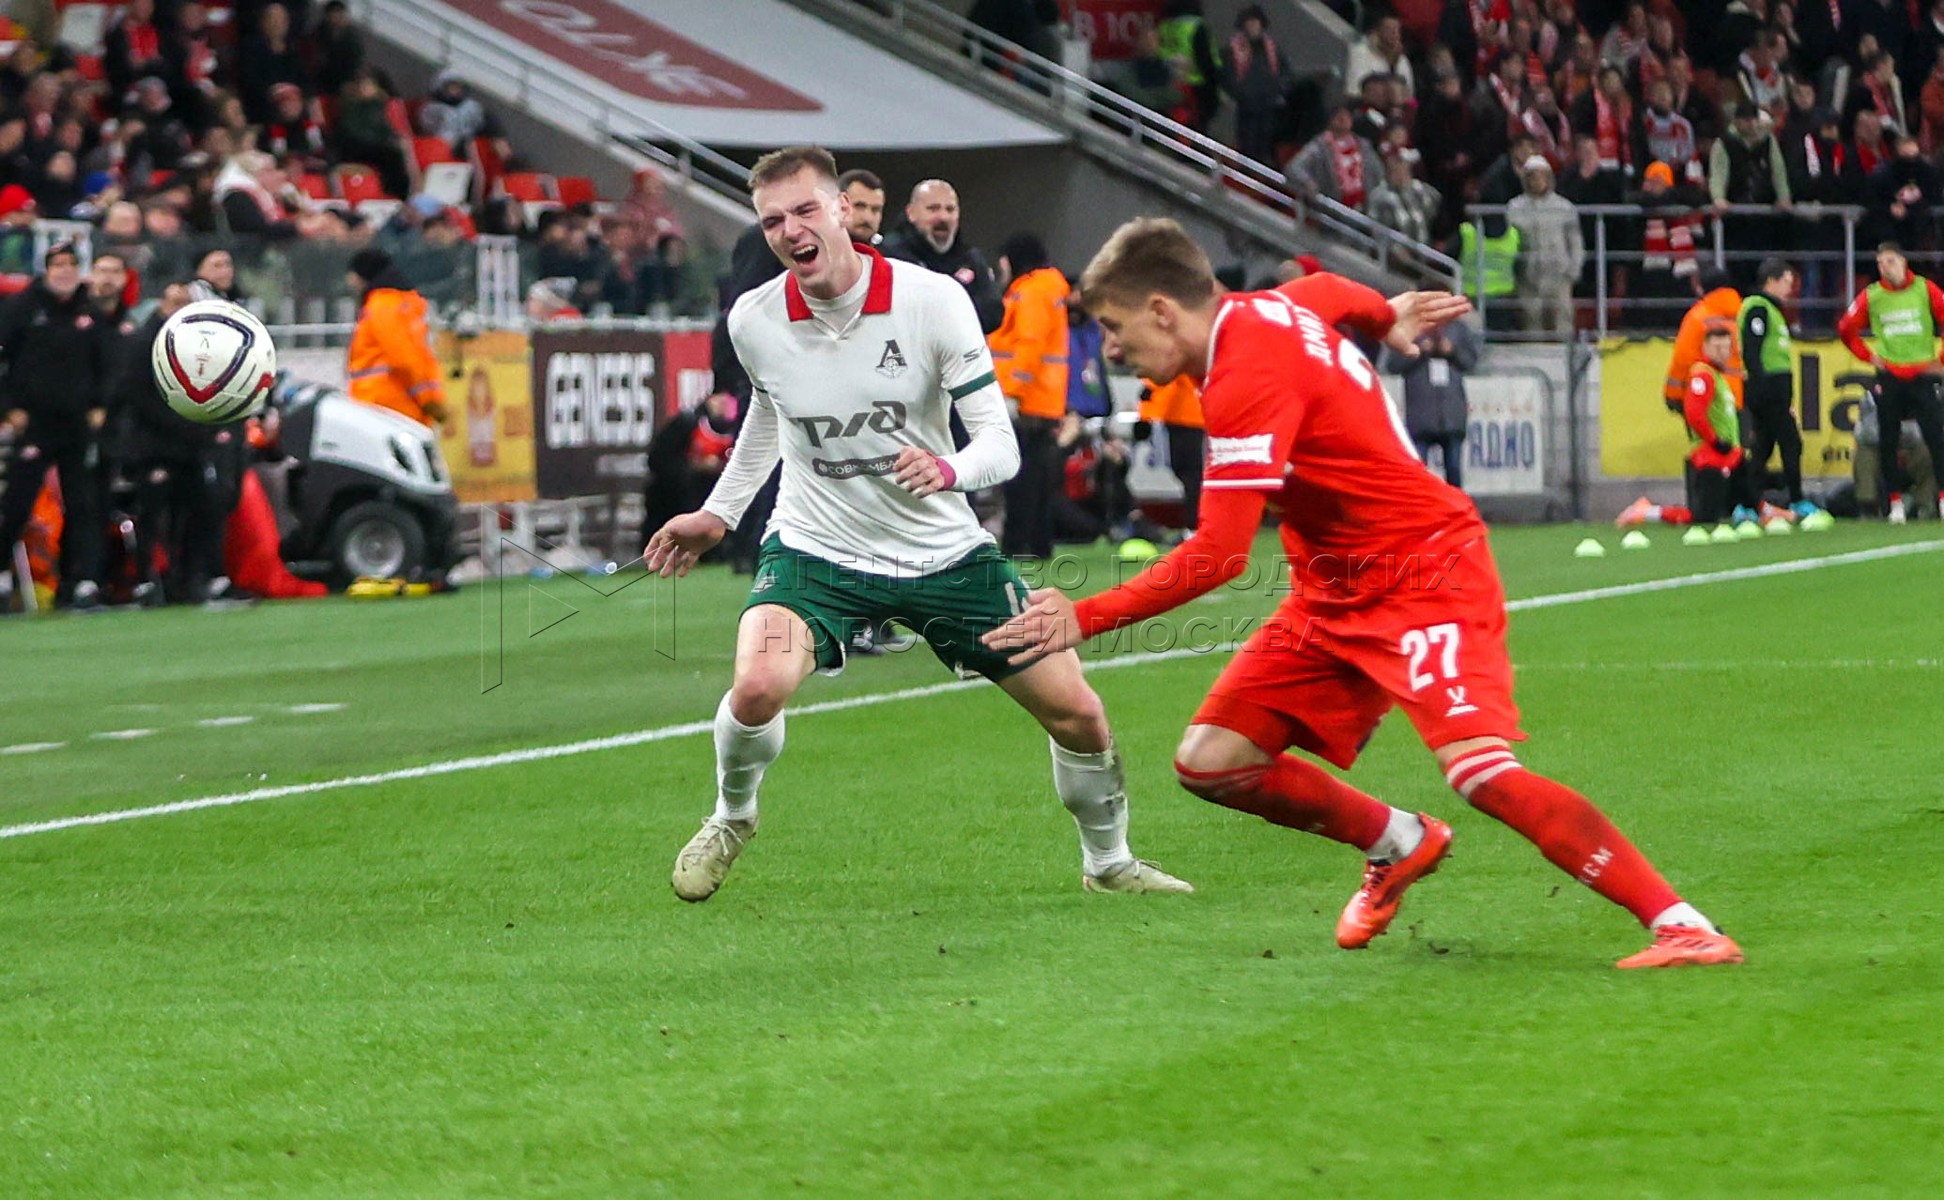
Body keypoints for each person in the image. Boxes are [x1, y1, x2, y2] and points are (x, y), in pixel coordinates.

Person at [983, 219, 1743, 970]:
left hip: (1425, 571)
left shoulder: (1245, 374)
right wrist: (1387, 315)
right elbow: (1332, 292)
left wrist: (1083, 617)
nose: (1111, 349)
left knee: (1480, 772)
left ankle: (1681, 925)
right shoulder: (1267, 308)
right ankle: (1399, 842)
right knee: (1213, 761)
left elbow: (1218, 556)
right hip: (1333, 588)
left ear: (1161, 310)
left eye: (1114, 328)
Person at [643, 146, 1191, 901]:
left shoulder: (931, 300)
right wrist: (718, 512)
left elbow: (998, 444)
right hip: (816, 548)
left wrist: (949, 470)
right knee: (758, 684)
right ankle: (732, 817)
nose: (790, 230)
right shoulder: (755, 318)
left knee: (1078, 714)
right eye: (772, 221)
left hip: (943, 553)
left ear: (844, 210)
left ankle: (1109, 863)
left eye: (805, 210)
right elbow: (770, 413)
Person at [0, 241, 108, 609]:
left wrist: (99, 405)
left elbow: (105, 364)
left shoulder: (89, 311)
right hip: (35, 422)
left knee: (83, 504)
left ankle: (83, 581)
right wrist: (10, 408)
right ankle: (2, 573)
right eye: (57, 264)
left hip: (77, 424)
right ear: (46, 269)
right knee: (17, 502)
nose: (64, 271)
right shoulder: (21, 308)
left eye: (70, 264)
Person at [1837, 241, 1944, 522]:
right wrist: (1868, 356)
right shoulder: (1873, 295)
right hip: (1890, 375)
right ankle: (1894, 503)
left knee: (1936, 436)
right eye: (1880, 263)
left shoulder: (1924, 289)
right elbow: (1846, 328)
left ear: (1903, 262)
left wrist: (1940, 360)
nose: (1885, 268)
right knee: (1888, 439)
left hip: (1921, 373)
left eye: (1890, 261)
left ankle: (1942, 498)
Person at [988, 232, 1069, 560]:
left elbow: (1029, 344)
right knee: (1037, 478)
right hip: (1043, 398)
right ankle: (1037, 545)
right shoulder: (1047, 289)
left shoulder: (1032, 291)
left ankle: (1018, 545)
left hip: (1027, 401)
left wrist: (1012, 393)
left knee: (1021, 479)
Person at [1739, 257, 1820, 518]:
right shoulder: (1758, 308)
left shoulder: (1771, 310)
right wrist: (1761, 387)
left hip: (1773, 389)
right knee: (1790, 442)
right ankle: (1795, 499)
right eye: (1786, 282)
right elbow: (1752, 349)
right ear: (1771, 281)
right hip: (1768, 389)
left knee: (1763, 447)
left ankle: (1749, 504)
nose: (1790, 288)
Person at [880, 178, 1004, 333]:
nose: (943, 217)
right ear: (911, 213)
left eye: (950, 209)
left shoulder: (971, 259)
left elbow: (993, 313)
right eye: (933, 209)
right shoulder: (889, 257)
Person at [345, 249, 447, 429]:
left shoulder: (383, 306)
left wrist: (428, 400)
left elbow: (403, 357)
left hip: (384, 406)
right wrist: (429, 399)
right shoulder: (401, 304)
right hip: (400, 407)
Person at [1380, 315, 1480, 487]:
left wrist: (1452, 351)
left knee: (1454, 470)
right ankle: (1421, 504)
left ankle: (1454, 504)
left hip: (1452, 415)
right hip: (1421, 415)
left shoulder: (1458, 328)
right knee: (1418, 471)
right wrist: (1419, 351)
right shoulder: (1409, 330)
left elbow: (1470, 362)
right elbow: (1393, 365)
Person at [1505, 155, 1583, 335]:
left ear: (1549, 178)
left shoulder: (1564, 207)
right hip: (1528, 275)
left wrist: (1573, 271)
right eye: (1532, 176)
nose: (1537, 180)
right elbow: (1509, 243)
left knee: (1563, 321)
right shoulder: (1514, 208)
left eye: (1541, 176)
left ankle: (1565, 351)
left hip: (1560, 274)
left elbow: (1575, 243)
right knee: (1531, 322)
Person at [1223, 5, 1292, 167]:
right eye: (1248, 23)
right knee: (1247, 144)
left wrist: (1280, 90)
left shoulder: (1272, 48)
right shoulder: (1233, 49)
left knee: (1265, 145)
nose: (1252, 27)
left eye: (1254, 22)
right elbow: (1227, 75)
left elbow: (1285, 72)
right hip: (1247, 107)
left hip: (1269, 106)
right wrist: (1241, 93)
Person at [1285, 104, 1382, 212]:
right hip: (1331, 208)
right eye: (1339, 116)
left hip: (1365, 208)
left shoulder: (1363, 146)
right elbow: (1294, 168)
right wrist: (1307, 183)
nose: (1343, 119)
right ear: (1331, 119)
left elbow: (1379, 174)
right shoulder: (1319, 146)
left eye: (1347, 116)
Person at [1138, 374, 1203, 532]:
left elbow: (1163, 379)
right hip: (1184, 414)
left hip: (1184, 415)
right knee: (1188, 473)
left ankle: (1194, 525)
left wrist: (1146, 415)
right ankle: (1195, 524)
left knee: (1190, 474)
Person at [838, 168, 885, 245]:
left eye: (875, 209)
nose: (868, 217)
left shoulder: (889, 251)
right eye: (859, 206)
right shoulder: (818, 249)